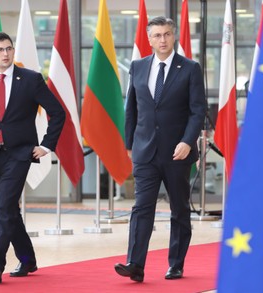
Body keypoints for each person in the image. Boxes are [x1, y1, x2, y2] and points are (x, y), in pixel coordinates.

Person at [0, 32, 65, 283]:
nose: (5, 53)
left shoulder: (30, 80)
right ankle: (28, 259)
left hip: (20, 154)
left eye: (9, 48)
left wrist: (47, 146)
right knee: (9, 211)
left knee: (5, 207)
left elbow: (57, 112)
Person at [114, 16, 206, 282]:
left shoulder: (189, 68)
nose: (162, 40)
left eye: (167, 34)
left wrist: (188, 142)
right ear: (149, 38)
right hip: (144, 151)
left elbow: (197, 110)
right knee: (142, 207)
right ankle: (135, 264)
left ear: (173, 36)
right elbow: (131, 108)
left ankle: (176, 263)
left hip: (178, 152)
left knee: (179, 208)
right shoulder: (138, 66)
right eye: (157, 35)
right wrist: (129, 144)